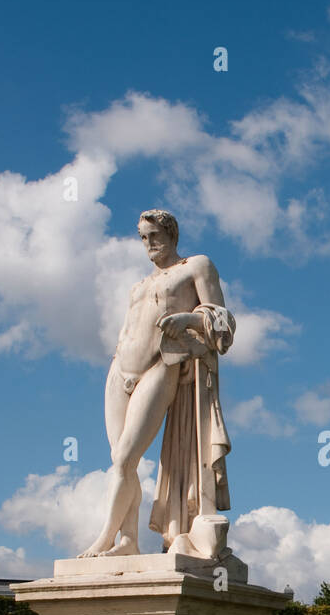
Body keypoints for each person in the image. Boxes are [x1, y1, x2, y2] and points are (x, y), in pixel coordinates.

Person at [79, 209, 235, 557]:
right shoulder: (139, 285)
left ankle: (105, 536)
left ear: (171, 233)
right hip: (121, 369)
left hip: (161, 366)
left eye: (154, 235)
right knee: (120, 462)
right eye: (143, 237)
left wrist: (189, 318)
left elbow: (223, 321)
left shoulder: (196, 265)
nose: (148, 243)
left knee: (123, 459)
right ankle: (128, 541)